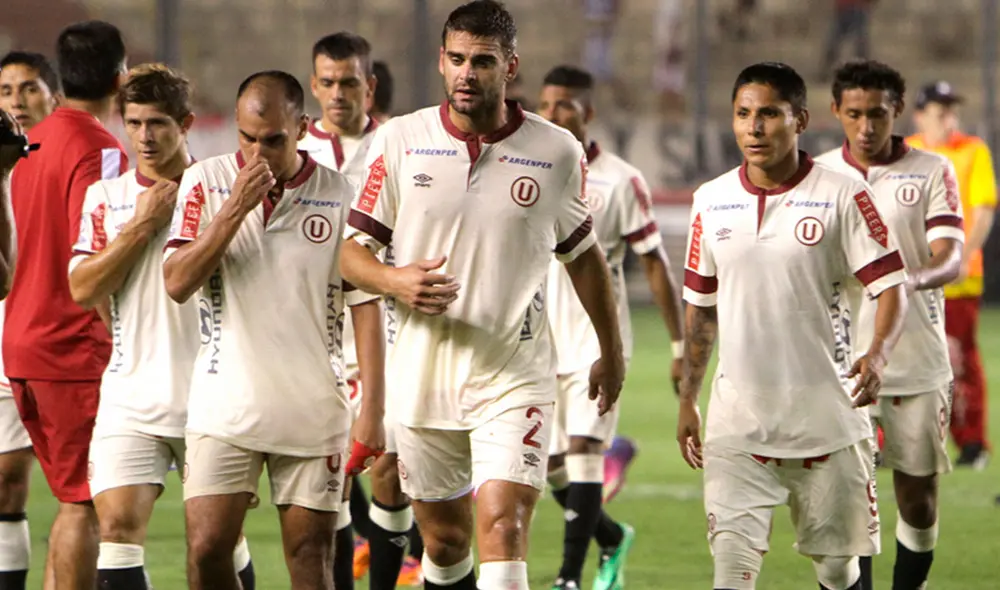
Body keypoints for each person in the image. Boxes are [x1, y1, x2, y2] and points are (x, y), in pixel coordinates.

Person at [340, 3, 626, 589]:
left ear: (510, 67)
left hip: (512, 376)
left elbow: (583, 254)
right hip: (420, 379)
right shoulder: (400, 141)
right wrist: (398, 281)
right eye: (457, 59)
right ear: (442, 63)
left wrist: (612, 349)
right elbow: (348, 254)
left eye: (483, 61)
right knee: (445, 543)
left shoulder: (556, 151)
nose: (468, 72)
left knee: (504, 523)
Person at [676, 61, 908, 590]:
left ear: (800, 119)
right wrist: (689, 398)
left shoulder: (843, 195)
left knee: (838, 570)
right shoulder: (711, 200)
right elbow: (701, 311)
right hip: (739, 424)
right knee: (730, 576)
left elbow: (891, 286)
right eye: (743, 114)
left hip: (828, 419)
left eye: (769, 115)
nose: (754, 128)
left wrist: (878, 354)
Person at [163, 70, 385, 590]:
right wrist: (234, 208)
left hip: (313, 411)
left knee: (312, 562)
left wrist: (372, 410)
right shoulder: (206, 182)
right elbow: (176, 281)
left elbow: (366, 304)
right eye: (246, 138)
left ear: (303, 128)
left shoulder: (341, 195)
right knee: (206, 552)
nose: (256, 153)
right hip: (223, 408)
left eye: (273, 140)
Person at [66, 63, 256, 590]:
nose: (144, 137)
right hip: (131, 396)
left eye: (158, 124)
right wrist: (142, 226)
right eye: (133, 123)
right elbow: (84, 289)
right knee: (118, 532)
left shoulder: (221, 190)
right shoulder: (105, 199)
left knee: (215, 546)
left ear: (186, 123)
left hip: (212, 399)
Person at [816, 58, 965, 590]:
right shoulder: (819, 175)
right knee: (849, 499)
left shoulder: (931, 170)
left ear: (897, 111)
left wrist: (904, 281)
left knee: (917, 498)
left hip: (916, 358)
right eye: (854, 114)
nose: (866, 126)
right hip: (841, 361)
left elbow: (952, 257)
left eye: (877, 114)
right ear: (836, 111)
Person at [536, 64, 684, 590]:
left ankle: (568, 578)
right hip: (537, 345)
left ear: (588, 112)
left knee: (581, 454)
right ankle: (612, 537)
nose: (554, 113)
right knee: (548, 466)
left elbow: (653, 263)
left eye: (566, 105)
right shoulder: (528, 167)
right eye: (547, 103)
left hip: (596, 344)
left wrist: (679, 344)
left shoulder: (620, 181)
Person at [4, 21, 129, 590]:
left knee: (70, 501)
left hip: (25, 342)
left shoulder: (33, 143)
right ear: (120, 76)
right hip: (71, 347)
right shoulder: (97, 148)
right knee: (86, 503)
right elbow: (93, 255)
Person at [300, 31, 422, 589]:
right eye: (327, 82)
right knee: (333, 482)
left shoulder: (399, 144)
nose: (337, 93)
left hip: (386, 332)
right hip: (316, 334)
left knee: (390, 474)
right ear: (313, 85)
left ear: (369, 86)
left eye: (349, 82)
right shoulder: (295, 150)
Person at [906, 81, 996, 469]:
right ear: (920, 114)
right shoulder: (904, 151)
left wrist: (963, 256)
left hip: (959, 278)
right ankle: (897, 440)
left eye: (951, 108)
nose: (948, 116)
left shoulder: (972, 149)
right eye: (939, 109)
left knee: (959, 359)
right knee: (900, 358)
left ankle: (972, 443)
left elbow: (984, 208)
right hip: (911, 278)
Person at [0, 51, 59, 589]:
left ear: (54, 96)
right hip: (5, 329)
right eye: (6, 90)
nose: (17, 100)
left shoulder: (70, 165)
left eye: (29, 88)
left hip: (47, 335)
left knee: (15, 477)